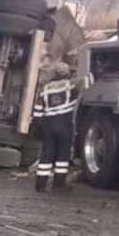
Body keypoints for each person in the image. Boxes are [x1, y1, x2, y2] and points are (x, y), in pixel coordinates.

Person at [32, 62, 94, 192]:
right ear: (66, 74)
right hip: (64, 124)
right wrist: (99, 70)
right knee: (62, 155)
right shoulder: (70, 85)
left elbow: (38, 110)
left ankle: (40, 184)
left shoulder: (45, 89)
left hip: (48, 124)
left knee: (47, 154)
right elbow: (88, 81)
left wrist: (37, 127)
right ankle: (59, 184)